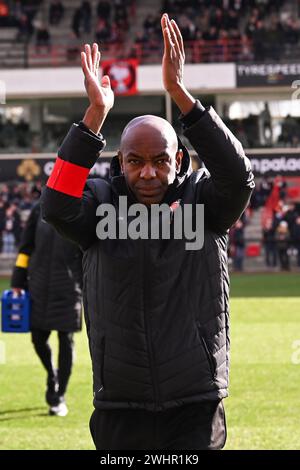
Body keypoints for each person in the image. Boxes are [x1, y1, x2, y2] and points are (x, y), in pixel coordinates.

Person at [41, 14, 255, 449]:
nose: (148, 173)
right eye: (135, 161)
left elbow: (238, 177)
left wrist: (181, 96)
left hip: (194, 401)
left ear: (179, 162)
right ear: (120, 163)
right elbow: (57, 205)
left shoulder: (204, 202)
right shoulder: (100, 202)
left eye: (160, 160)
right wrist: (94, 118)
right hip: (121, 403)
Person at [11, 201, 83, 417]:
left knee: (66, 341)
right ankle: (52, 375)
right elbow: (26, 248)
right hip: (39, 285)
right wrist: (17, 280)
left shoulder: (80, 207)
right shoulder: (38, 208)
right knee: (37, 338)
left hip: (69, 288)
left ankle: (59, 395)